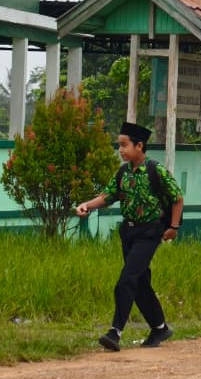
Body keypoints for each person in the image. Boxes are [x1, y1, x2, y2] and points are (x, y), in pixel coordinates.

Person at [75, 121, 184, 352]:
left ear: (139, 145)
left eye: (124, 145)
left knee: (126, 281)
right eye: (119, 146)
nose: (121, 150)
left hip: (150, 232)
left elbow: (177, 197)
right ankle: (160, 328)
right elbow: (108, 195)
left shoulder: (156, 170)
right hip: (129, 232)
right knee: (140, 283)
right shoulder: (123, 172)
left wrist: (173, 226)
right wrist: (87, 205)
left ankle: (115, 332)